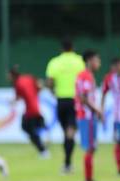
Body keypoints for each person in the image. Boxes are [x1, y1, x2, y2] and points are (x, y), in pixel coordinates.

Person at [46, 37, 85, 173]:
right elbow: (85, 78)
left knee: (66, 132)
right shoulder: (80, 61)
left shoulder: (55, 62)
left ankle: (67, 163)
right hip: (75, 100)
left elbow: (50, 82)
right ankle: (68, 163)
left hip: (61, 101)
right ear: (72, 48)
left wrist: (53, 92)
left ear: (61, 49)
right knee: (70, 133)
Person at [8, 65, 50, 159]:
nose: (9, 79)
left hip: (30, 110)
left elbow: (18, 97)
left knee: (27, 129)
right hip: (35, 108)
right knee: (28, 128)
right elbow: (39, 86)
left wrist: (12, 102)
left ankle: (43, 150)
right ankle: (43, 127)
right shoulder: (28, 78)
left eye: (9, 76)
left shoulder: (18, 84)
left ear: (13, 75)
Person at [75, 50, 103, 181]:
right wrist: (97, 110)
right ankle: (88, 179)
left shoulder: (84, 75)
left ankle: (89, 178)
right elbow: (83, 97)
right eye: (97, 60)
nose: (99, 63)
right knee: (90, 147)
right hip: (87, 116)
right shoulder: (86, 76)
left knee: (90, 147)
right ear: (90, 61)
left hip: (85, 116)